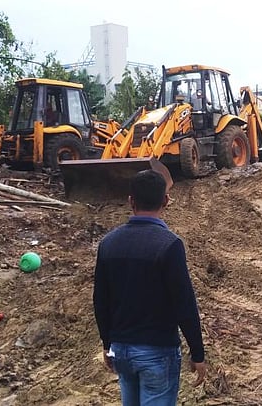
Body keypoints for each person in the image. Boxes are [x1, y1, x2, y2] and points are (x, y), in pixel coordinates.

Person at [93, 170, 207, 405]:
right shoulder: (169, 245)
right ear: (165, 200)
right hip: (157, 352)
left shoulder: (108, 244)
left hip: (121, 350)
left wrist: (107, 343)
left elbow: (100, 299)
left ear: (131, 201)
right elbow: (184, 303)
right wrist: (197, 353)